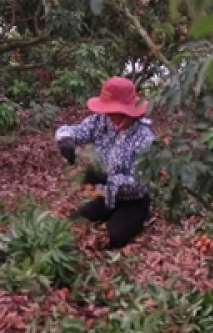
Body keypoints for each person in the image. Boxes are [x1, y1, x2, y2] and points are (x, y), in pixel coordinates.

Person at [55, 76, 154, 249]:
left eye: (113, 111)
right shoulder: (102, 122)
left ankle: (134, 219)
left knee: (112, 238)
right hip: (106, 197)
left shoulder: (144, 138)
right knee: (73, 224)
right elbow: (76, 130)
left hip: (133, 200)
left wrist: (107, 180)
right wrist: (66, 139)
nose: (109, 115)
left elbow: (140, 182)